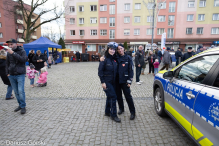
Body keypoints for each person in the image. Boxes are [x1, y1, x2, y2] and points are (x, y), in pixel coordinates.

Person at [98, 42, 121, 123]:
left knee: (109, 97)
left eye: (114, 49)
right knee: (113, 97)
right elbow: (100, 72)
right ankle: (113, 114)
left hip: (114, 82)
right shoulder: (104, 59)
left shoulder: (114, 59)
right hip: (107, 82)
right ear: (108, 49)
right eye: (111, 49)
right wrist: (102, 82)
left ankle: (107, 112)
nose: (112, 51)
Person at [5, 38, 28, 114]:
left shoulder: (22, 51)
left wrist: (13, 53)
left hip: (20, 74)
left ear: (16, 44)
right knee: (16, 92)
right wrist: (7, 73)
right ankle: (20, 105)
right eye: (9, 44)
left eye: (11, 44)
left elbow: (23, 60)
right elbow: (7, 63)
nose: (10, 46)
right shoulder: (8, 53)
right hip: (11, 75)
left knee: (21, 91)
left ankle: (23, 106)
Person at [116, 44, 136, 120]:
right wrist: (102, 58)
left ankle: (133, 112)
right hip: (117, 81)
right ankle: (121, 108)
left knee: (128, 97)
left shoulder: (128, 58)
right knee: (119, 96)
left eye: (121, 48)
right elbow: (107, 57)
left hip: (125, 81)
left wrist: (129, 81)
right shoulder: (116, 58)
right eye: (118, 49)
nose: (120, 50)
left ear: (124, 49)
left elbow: (131, 70)